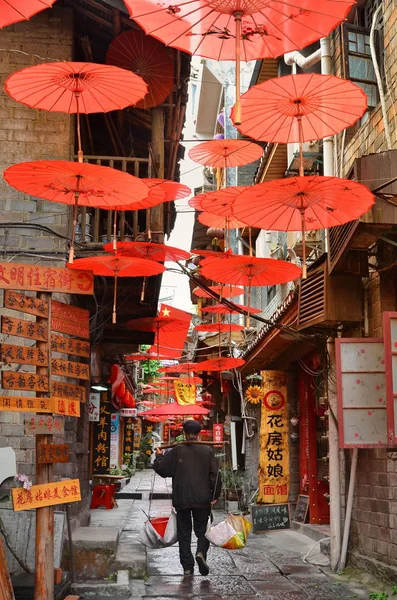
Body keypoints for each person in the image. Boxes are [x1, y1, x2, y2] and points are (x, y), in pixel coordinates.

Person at [153, 419, 222, 577]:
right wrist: (214, 495)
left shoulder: (178, 450)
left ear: (185, 433)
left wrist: (159, 456)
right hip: (203, 498)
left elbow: (163, 470)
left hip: (182, 498)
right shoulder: (207, 451)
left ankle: (187, 567)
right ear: (198, 434)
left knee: (184, 533)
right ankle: (201, 552)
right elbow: (215, 475)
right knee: (203, 530)